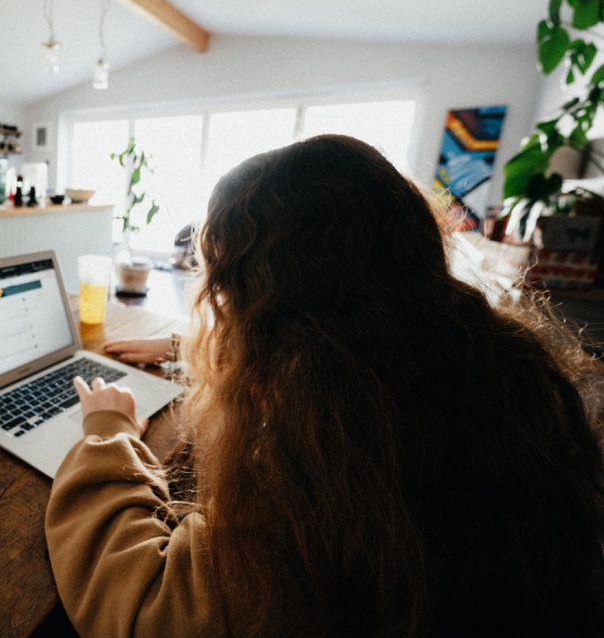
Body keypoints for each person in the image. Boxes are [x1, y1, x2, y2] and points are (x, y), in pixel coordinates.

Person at [45, 135, 604, 637]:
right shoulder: (491, 372)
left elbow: (148, 607)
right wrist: (183, 350)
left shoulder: (328, 466)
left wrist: (108, 433)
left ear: (260, 305)